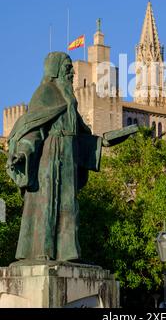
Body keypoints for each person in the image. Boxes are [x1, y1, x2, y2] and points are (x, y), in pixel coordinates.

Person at [6, 51, 136, 262]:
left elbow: (81, 134)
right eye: (67, 67)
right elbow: (33, 129)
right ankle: (42, 252)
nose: (72, 72)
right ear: (55, 70)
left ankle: (68, 253)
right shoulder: (45, 93)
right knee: (47, 204)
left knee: (69, 206)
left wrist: (103, 142)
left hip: (68, 159)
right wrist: (22, 153)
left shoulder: (69, 99)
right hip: (49, 159)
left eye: (71, 67)